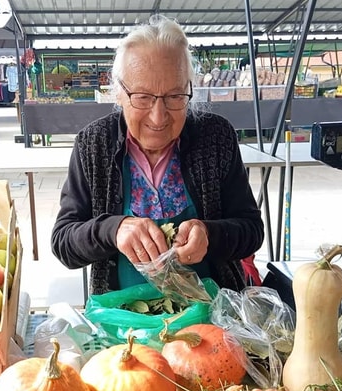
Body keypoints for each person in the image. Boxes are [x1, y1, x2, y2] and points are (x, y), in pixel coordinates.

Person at [51, 14, 264, 296]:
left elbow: (251, 230)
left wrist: (209, 235)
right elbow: (63, 242)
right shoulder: (93, 144)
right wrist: (112, 230)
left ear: (189, 90)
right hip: (124, 319)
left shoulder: (216, 137)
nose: (158, 116)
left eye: (175, 96)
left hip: (214, 313)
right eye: (142, 97)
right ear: (119, 93)